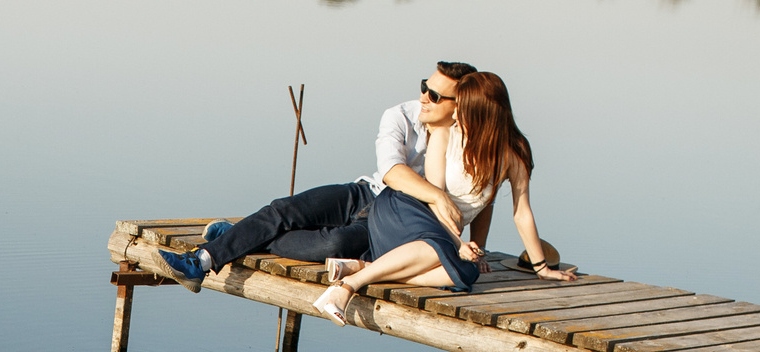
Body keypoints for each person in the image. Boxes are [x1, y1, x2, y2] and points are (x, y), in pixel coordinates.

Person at [150, 64, 553, 287]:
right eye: (423, 88)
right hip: (367, 191)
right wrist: (439, 198)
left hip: (396, 221)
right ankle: (202, 260)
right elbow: (392, 172)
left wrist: (475, 243)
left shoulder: (465, 137)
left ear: (460, 104)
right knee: (285, 209)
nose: (424, 98)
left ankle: (239, 236)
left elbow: (482, 197)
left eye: (435, 95)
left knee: (336, 242)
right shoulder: (401, 116)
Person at [308, 70, 571, 326]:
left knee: (466, 274)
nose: (454, 114)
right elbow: (435, 201)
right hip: (403, 209)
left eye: (461, 108)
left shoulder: (514, 153)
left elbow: (522, 212)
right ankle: (346, 287)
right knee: (440, 249)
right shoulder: (445, 136)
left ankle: (366, 267)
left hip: (438, 234)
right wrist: (458, 243)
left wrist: (542, 268)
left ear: (481, 112)